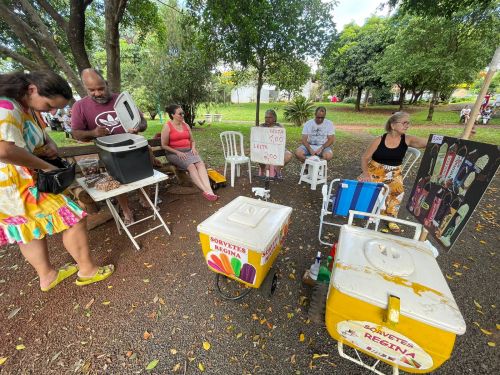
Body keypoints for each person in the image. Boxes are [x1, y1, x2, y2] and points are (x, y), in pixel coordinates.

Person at [0, 71, 114, 291]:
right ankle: (87, 270)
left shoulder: (25, 105)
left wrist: (49, 143)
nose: (52, 112)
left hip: (10, 190)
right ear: (33, 90)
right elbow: (4, 150)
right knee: (74, 218)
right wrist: (45, 165)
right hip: (18, 185)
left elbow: (37, 132)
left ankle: (48, 276)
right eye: (49, 105)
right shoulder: (7, 107)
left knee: (27, 231)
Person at [71, 68, 151, 225]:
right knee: (117, 180)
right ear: (85, 88)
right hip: (109, 152)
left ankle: (145, 199)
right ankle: (127, 211)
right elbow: (76, 134)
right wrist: (93, 132)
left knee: (144, 174)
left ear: (107, 84)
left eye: (101, 88)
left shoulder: (121, 100)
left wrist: (137, 128)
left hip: (133, 147)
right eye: (92, 90)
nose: (98, 93)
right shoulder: (79, 106)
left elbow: (143, 122)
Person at [358, 111, 427, 233]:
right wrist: (365, 173)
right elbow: (365, 158)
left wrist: (444, 140)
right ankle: (369, 212)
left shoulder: (407, 139)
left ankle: (390, 217)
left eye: (408, 123)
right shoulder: (379, 140)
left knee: (398, 190)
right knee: (367, 187)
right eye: (404, 123)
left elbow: (426, 143)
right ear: (393, 125)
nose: (407, 125)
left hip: (394, 172)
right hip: (375, 170)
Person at [161, 104, 218, 201]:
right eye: (180, 113)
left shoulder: (186, 125)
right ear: (173, 115)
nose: (182, 115)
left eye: (183, 113)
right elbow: (164, 145)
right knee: (191, 166)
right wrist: (177, 152)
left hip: (188, 151)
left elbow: (192, 140)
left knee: (200, 164)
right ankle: (205, 190)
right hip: (174, 153)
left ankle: (209, 189)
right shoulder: (167, 126)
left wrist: (194, 148)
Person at [257, 109, 293, 178]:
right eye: (266, 117)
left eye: (269, 117)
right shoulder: (261, 126)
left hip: (278, 149)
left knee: (288, 155)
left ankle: (277, 170)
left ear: (274, 118)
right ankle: (263, 169)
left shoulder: (280, 127)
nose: (267, 119)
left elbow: (281, 140)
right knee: (258, 154)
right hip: (264, 149)